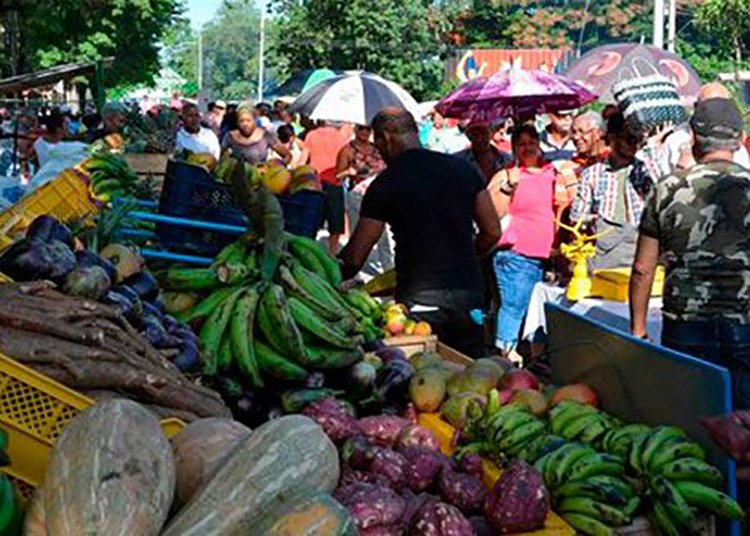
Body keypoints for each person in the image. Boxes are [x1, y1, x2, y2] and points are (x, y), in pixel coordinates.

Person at [340, 108, 501, 357]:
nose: (378, 152)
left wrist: (326, 278)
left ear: (386, 137)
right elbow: (492, 231)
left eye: (377, 145)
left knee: (425, 379)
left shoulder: (385, 184)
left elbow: (354, 257)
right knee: (471, 374)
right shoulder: (462, 169)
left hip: (420, 299)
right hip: (468, 294)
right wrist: (465, 256)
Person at [630, 98, 750, 408]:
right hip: (744, 323)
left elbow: (643, 268)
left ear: (694, 138)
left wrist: (639, 331)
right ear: (739, 140)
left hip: (686, 323)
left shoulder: (667, 188)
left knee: (691, 419)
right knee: (743, 424)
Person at [488, 125, 558, 358]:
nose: (527, 148)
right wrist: (509, 186)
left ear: (539, 143)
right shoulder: (506, 175)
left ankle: (534, 360)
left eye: (531, 142)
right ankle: (505, 358)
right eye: (521, 144)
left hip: (545, 256)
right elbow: (491, 214)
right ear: (514, 148)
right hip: (516, 255)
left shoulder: (552, 171)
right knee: (514, 307)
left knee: (535, 311)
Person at [570, 112, 665, 270]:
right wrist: (599, 223)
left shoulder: (645, 168)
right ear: (612, 138)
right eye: (627, 137)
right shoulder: (592, 174)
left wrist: (648, 148)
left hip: (642, 250)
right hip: (605, 254)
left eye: (636, 138)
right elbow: (576, 217)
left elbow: (662, 189)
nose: (633, 143)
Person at [305, 121, 350, 254]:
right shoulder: (343, 139)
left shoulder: (312, 135)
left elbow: (303, 158)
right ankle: (332, 252)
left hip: (314, 182)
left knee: (312, 219)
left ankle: (310, 248)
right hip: (335, 183)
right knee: (335, 223)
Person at [221, 103, 289, 165]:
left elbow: (287, 155)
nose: (245, 124)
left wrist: (279, 169)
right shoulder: (230, 136)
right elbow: (221, 157)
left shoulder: (266, 135)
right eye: (241, 121)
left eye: (248, 120)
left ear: (255, 121)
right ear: (237, 122)